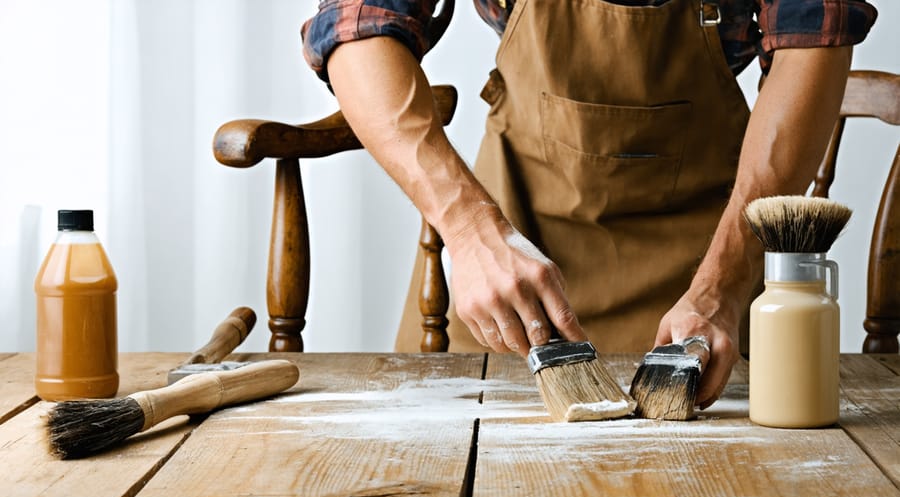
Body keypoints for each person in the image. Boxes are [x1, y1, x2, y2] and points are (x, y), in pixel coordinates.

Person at [301, 0, 877, 408]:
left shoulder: (717, 283)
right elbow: (357, 29)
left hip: (709, 259)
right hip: (514, 243)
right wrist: (470, 229)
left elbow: (813, 40)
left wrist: (722, 287)